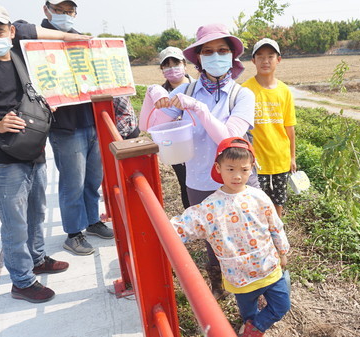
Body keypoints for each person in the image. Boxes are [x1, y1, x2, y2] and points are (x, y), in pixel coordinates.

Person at [0, 1, 90, 303]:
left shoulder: (20, 56)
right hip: (0, 158)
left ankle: (37, 258)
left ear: (11, 31)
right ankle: (22, 281)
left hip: (33, 148)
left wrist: (71, 38)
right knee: (14, 223)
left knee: (36, 212)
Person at [149, 23, 257, 298]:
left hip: (237, 179)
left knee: (243, 230)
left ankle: (250, 282)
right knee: (212, 233)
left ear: (232, 56)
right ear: (198, 58)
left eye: (222, 50)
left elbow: (229, 138)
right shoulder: (185, 90)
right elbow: (151, 124)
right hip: (198, 178)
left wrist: (199, 109)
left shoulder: (241, 94)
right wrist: (155, 95)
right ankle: (218, 283)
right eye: (208, 51)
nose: (216, 56)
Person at [170, 137, 290, 337]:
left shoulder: (259, 197)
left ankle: (256, 327)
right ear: (218, 168)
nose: (237, 176)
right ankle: (251, 327)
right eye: (230, 169)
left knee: (281, 306)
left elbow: (275, 227)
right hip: (239, 275)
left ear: (252, 168)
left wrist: (283, 252)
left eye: (244, 170)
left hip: (268, 267)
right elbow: (182, 226)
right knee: (248, 313)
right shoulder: (210, 207)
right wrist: (156, 227)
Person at [41, 0, 114, 255]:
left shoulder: (79, 39)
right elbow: (18, 29)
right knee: (73, 181)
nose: (64, 15)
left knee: (93, 178)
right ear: (46, 10)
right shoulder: (35, 42)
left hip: (90, 118)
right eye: (59, 10)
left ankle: (93, 221)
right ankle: (73, 233)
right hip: (65, 125)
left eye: (69, 11)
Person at [242, 38, 296, 218]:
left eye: (270, 56)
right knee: (255, 204)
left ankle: (277, 235)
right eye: (260, 56)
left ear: (278, 60)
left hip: (280, 159)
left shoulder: (284, 91)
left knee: (278, 202)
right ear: (253, 61)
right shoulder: (245, 90)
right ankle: (258, 239)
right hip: (255, 161)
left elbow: (289, 127)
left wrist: (292, 156)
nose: (265, 61)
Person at [139, 46, 193, 208]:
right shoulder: (161, 95)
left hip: (200, 143)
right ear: (162, 69)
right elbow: (147, 124)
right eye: (166, 65)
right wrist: (153, 92)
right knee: (185, 184)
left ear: (184, 64)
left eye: (175, 63)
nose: (172, 68)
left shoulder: (196, 87)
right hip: (177, 148)